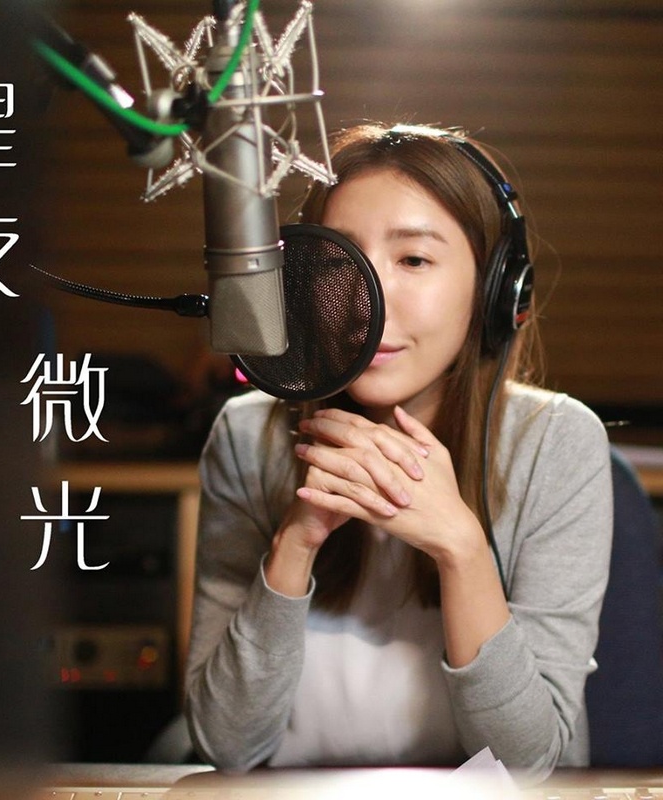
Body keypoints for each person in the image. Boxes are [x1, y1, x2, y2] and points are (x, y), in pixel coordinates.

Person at [183, 122, 613, 781]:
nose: (368, 303)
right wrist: (296, 540)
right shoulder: (249, 439)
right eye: (339, 263)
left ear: (496, 292)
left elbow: (527, 766)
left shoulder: (554, 444)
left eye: (413, 260)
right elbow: (226, 745)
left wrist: (461, 549)